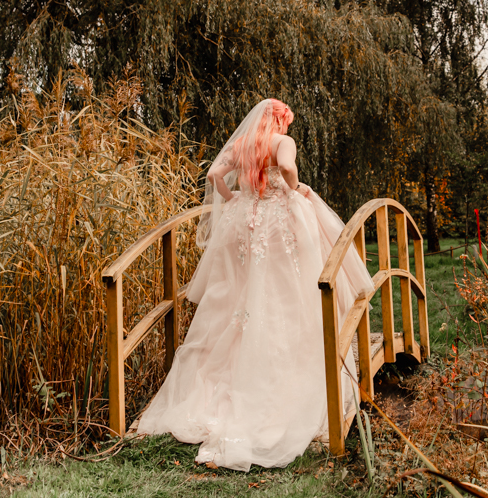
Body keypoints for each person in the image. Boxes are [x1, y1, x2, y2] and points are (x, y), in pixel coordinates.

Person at [136, 98, 373, 471]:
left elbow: (215, 176)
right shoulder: (281, 143)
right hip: (279, 220)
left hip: (243, 220)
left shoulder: (242, 143)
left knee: (240, 293)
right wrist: (294, 191)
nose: (287, 128)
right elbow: (290, 170)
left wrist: (234, 200)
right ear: (280, 120)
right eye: (286, 122)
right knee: (287, 289)